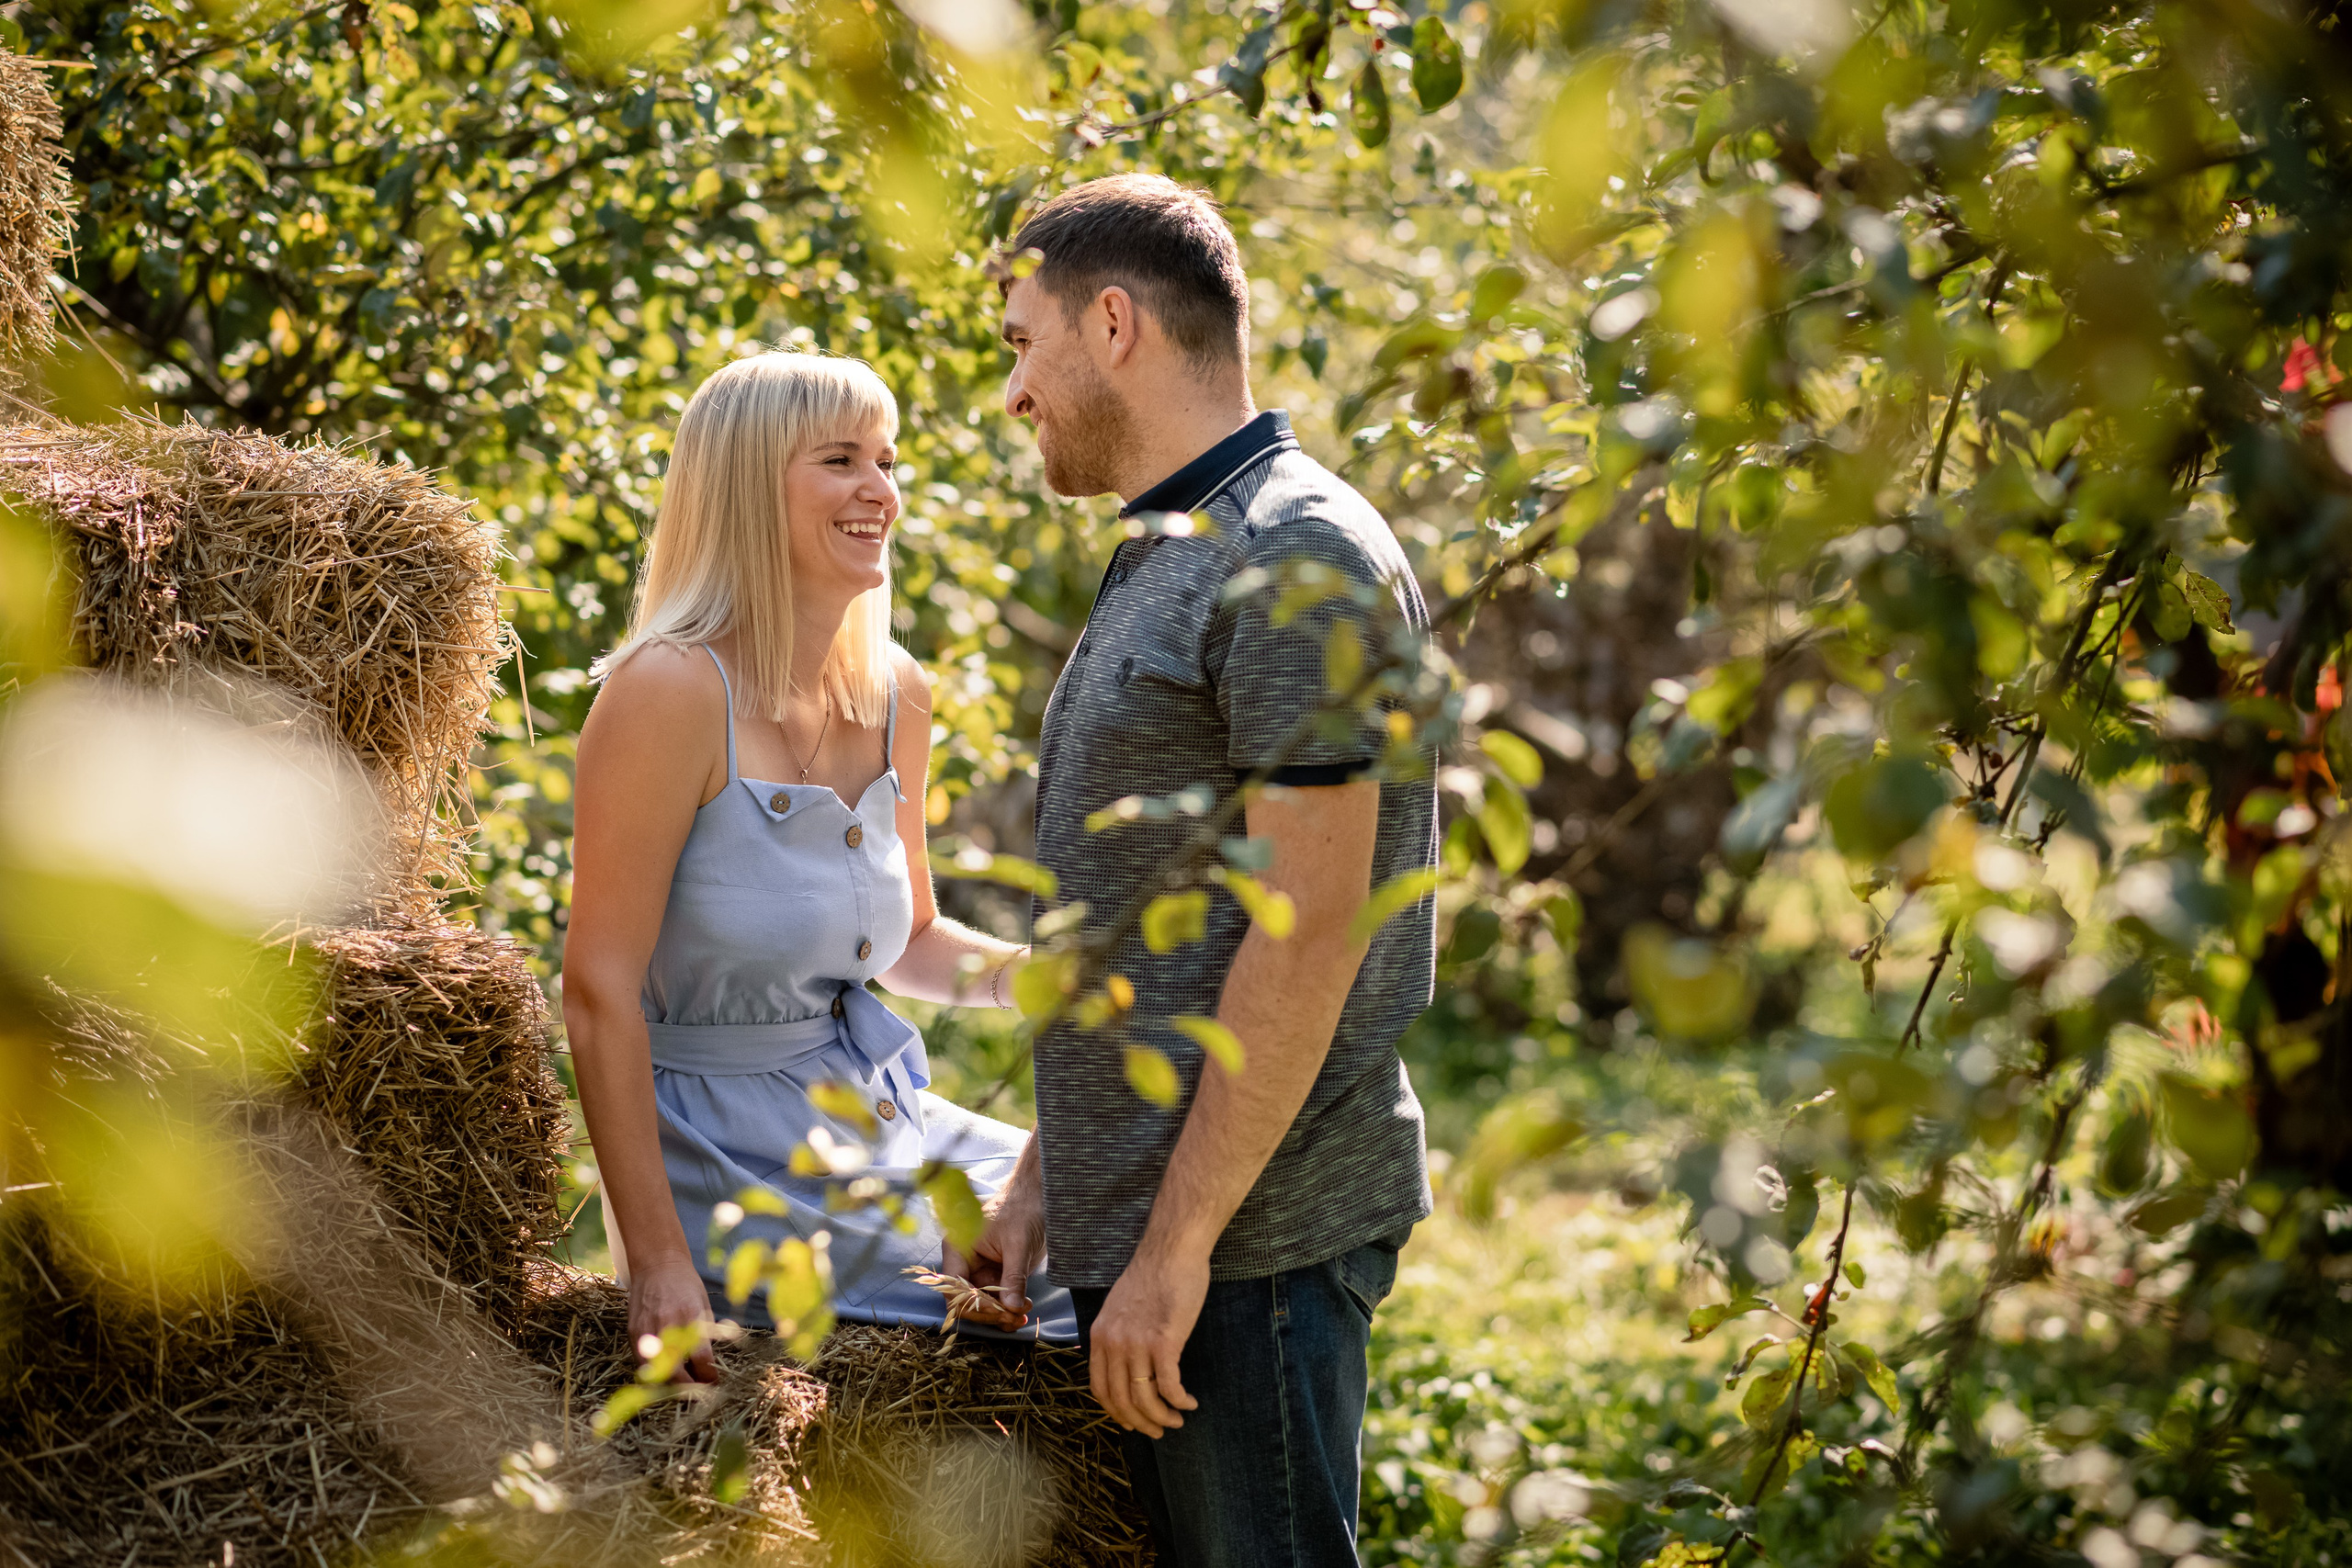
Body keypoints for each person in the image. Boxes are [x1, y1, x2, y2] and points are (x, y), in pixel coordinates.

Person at [954, 175, 1440, 1564]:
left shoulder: (1293, 557)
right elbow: (1160, 919)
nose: (1014, 391)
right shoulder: (1180, 542)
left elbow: (1306, 933)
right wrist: (1058, 1164)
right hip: (1186, 1231)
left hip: (1252, 1248)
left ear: (1113, 324)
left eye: (1019, 340)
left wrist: (1177, 1252)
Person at [563, 350, 1075, 1382]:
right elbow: (595, 989)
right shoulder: (667, 691)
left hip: (875, 1114)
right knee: (1069, 1299)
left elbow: (910, 942)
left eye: (887, 462)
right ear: (748, 486)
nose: (879, 492)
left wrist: (1049, 982)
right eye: (840, 460)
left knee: (1118, 1212)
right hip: (726, 1155)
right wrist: (658, 1259)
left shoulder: (896, 691)